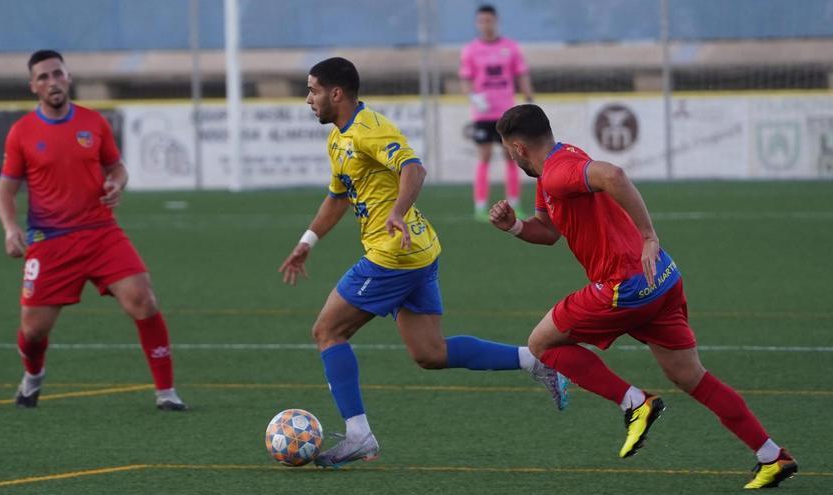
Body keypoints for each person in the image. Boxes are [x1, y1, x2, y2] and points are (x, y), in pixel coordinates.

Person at [488, 104, 797, 490]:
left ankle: (635, 402)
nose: (509, 159)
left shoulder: (558, 174)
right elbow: (549, 232)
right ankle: (771, 456)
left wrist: (649, 235)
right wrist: (514, 226)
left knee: (541, 344)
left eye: (506, 152)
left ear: (517, 148)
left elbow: (613, 174)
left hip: (625, 287)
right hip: (662, 279)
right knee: (691, 377)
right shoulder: (560, 164)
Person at [279, 57, 568, 469]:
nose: (309, 99)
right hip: (416, 249)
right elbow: (339, 196)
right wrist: (307, 241)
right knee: (430, 352)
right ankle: (535, 361)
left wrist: (396, 211)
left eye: (313, 90)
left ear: (336, 93)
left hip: (392, 253)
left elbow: (414, 169)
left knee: (327, 331)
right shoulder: (338, 139)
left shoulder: (370, 129)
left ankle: (359, 435)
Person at [0, 50, 186, 411]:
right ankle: (33, 376)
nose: (53, 82)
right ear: (33, 86)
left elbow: (117, 168)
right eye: (44, 77)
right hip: (49, 242)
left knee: (143, 301)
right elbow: (5, 190)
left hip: (101, 233)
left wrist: (116, 183)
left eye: (58, 74)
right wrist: (9, 228)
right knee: (34, 332)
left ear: (68, 77)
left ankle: (167, 393)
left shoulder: (93, 123)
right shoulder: (22, 132)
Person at [459, 4, 534, 221]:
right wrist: (473, 96)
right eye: (481, 21)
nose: (486, 25)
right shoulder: (471, 50)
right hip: (483, 114)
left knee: (512, 157)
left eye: (489, 21)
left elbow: (522, 74)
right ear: (477, 23)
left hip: (507, 112)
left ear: (496, 21)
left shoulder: (510, 48)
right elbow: (465, 80)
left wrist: (529, 97)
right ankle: (480, 206)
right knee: (484, 156)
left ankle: (515, 204)